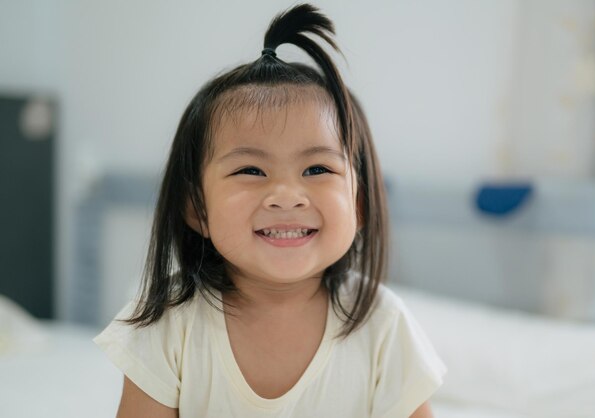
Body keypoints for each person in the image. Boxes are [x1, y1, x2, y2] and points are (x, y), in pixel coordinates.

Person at [94, 4, 446, 417]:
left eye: (317, 168)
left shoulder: (383, 327)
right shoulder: (168, 322)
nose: (285, 195)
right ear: (197, 209)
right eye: (251, 170)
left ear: (360, 204)